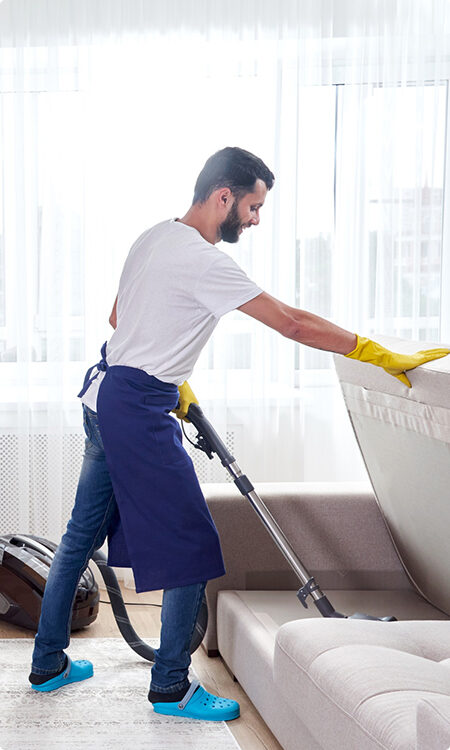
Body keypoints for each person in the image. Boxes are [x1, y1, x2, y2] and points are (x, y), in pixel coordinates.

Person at [28, 147, 449, 722]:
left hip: (105, 398)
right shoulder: (207, 262)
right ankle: (171, 688)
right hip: (137, 410)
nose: (254, 219)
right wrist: (375, 353)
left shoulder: (153, 236)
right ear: (223, 196)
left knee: (79, 539)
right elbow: (293, 323)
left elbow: (118, 321)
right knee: (192, 547)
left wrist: (170, 378)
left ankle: (47, 663)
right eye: (252, 206)